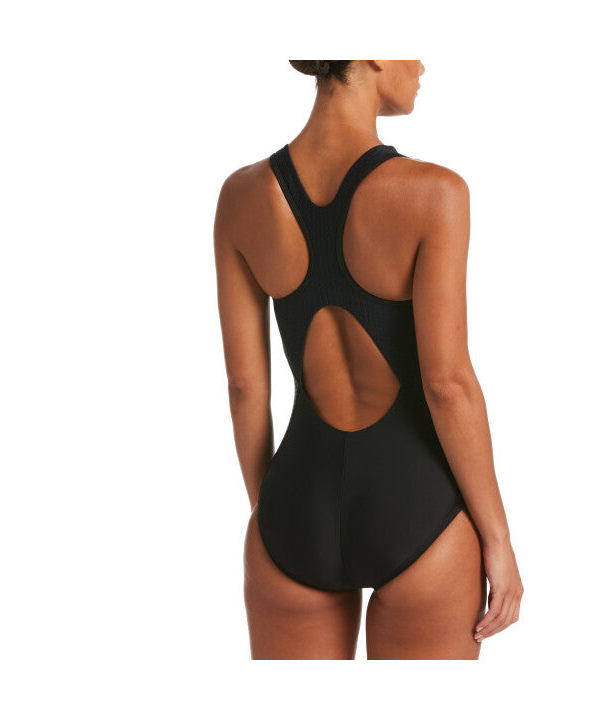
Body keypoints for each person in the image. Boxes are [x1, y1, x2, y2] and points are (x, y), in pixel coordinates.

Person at [213, 60, 523, 659]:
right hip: (419, 512)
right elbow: (447, 383)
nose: (423, 63)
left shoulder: (240, 195)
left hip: (296, 502)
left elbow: (244, 386)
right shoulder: (435, 192)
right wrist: (498, 538)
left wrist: (272, 517)